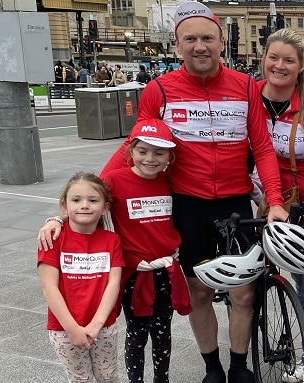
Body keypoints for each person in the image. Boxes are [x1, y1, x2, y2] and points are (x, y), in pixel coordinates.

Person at [42, 3, 288, 383]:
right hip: (188, 207)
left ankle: (239, 366)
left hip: (236, 202)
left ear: (222, 42)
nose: (200, 46)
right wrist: (71, 210)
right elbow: (132, 151)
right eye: (190, 39)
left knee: (244, 295)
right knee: (199, 294)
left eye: (207, 38)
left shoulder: (243, 87)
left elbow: (264, 147)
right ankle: (213, 369)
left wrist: (273, 201)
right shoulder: (159, 90)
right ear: (177, 44)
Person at [255, 28, 304, 382]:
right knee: (249, 288)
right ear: (263, 59)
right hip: (262, 203)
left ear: (301, 66)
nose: (280, 65)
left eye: (289, 60)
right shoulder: (249, 99)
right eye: (274, 58)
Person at [103, 119, 192, 382]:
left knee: (163, 331)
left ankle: (161, 379)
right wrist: (57, 221)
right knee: (136, 333)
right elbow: (87, 199)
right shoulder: (114, 180)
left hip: (166, 270)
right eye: (142, 151)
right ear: (130, 152)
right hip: (134, 273)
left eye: (159, 152)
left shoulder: (170, 182)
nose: (150, 159)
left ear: (170, 157)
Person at [37, 172, 123, 383]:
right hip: (64, 329)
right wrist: (72, 328)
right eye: (76, 200)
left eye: (93, 200)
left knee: (108, 376)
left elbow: (113, 283)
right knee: (80, 379)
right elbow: (50, 289)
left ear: (105, 207)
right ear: (65, 206)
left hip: (103, 327)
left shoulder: (111, 240)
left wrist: (97, 324)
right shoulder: (53, 239)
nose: (84, 205)